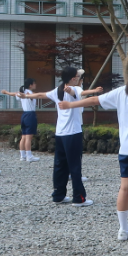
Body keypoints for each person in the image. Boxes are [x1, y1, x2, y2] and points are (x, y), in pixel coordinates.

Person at [58, 56, 128, 243]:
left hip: (126, 150)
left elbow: (94, 100)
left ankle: (123, 230)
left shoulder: (122, 91)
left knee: (124, 188)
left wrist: (70, 105)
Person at [37, 67, 101, 206]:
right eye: (77, 76)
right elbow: (80, 92)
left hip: (60, 133)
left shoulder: (57, 89)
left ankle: (58, 195)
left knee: (60, 165)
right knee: (75, 165)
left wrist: (23, 96)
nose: (79, 77)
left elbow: (41, 95)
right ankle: (79, 198)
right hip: (73, 133)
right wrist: (94, 91)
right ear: (73, 78)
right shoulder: (75, 88)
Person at [4, 78, 39, 162]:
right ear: (30, 85)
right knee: (28, 137)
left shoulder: (22, 92)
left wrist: (6, 92)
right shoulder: (29, 93)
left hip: (24, 115)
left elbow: (14, 94)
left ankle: (22, 156)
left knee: (23, 136)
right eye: (34, 83)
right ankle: (29, 156)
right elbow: (37, 95)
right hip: (30, 115)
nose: (35, 85)